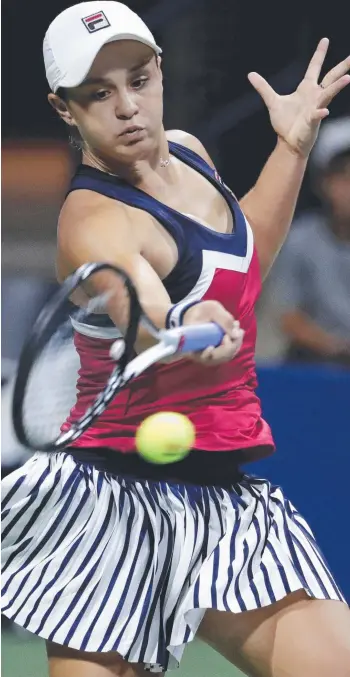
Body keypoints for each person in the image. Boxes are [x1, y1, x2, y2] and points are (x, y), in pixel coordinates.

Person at [2, 3, 350, 676]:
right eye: (99, 93)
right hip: (111, 509)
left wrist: (292, 149)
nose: (127, 106)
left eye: (138, 79)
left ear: (161, 69)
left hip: (228, 500)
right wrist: (185, 329)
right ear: (64, 108)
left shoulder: (190, 152)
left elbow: (243, 258)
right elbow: (140, 302)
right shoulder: (91, 217)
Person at [273, 117, 350, 366]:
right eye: (344, 178)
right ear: (322, 183)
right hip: (317, 369)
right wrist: (338, 348)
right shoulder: (300, 239)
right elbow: (289, 317)